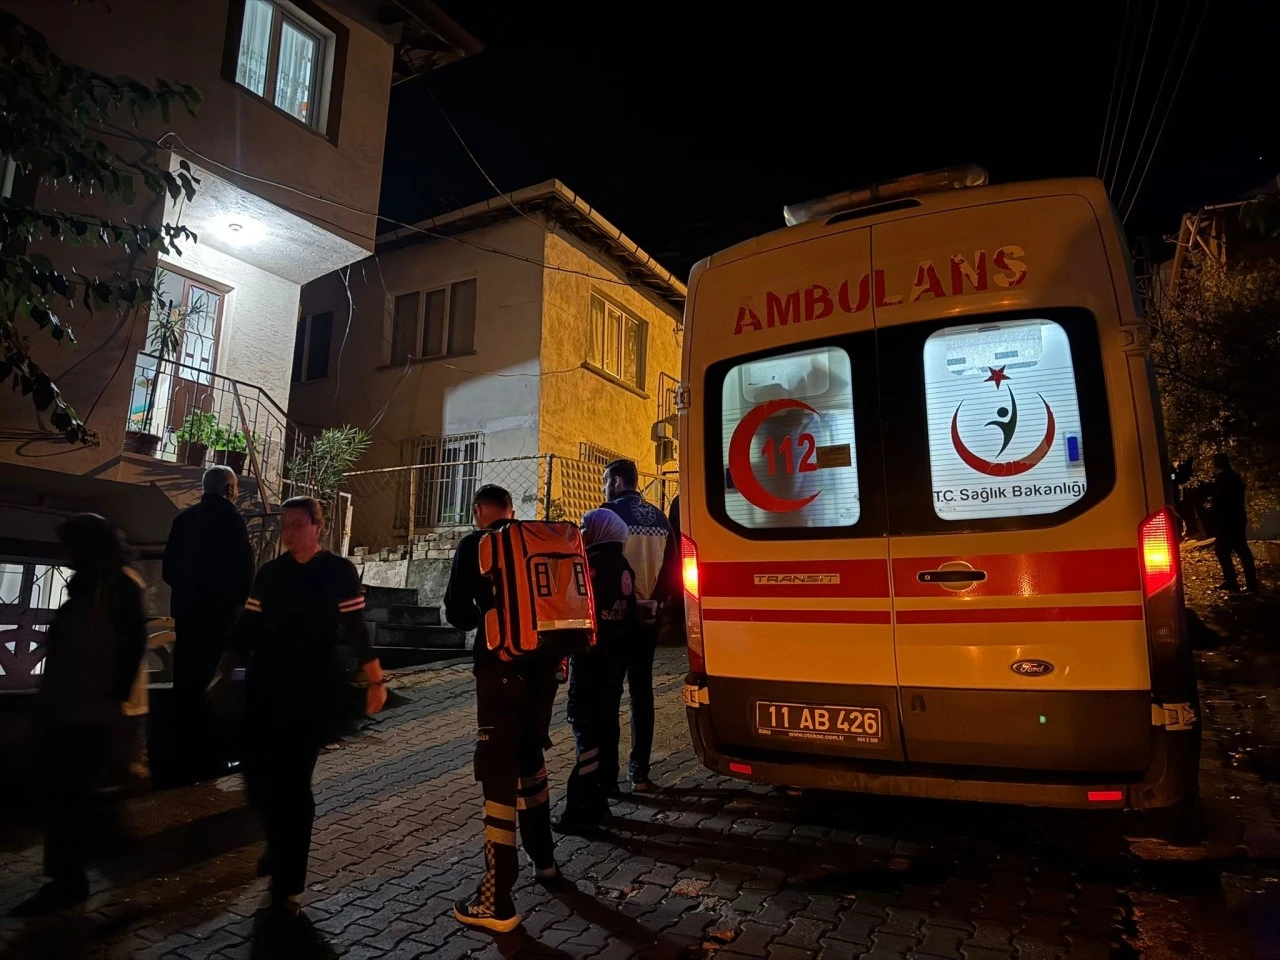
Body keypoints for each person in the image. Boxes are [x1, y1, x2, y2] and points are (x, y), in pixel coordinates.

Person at [228, 497, 387, 914]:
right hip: (265, 685)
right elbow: (247, 628)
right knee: (257, 775)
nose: (289, 532)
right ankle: (277, 840)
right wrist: (225, 669)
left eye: (298, 523)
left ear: (318, 526)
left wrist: (375, 679)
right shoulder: (271, 573)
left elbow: (355, 628)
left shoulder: (337, 572)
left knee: (294, 783)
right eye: (285, 524)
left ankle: (289, 883)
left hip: (310, 689)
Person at [10, 514, 146, 916]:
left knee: (69, 796)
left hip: (88, 710)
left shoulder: (113, 588)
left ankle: (72, 878)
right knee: (73, 796)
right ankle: (85, 872)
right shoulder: (97, 585)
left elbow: (126, 649)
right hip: (76, 707)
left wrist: (115, 704)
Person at [444, 485, 561, 932]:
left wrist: (489, 613)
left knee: (497, 772)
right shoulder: (535, 541)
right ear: (511, 510)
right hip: (544, 672)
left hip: (500, 673)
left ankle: (497, 898)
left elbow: (457, 613)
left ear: (479, 510)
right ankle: (545, 861)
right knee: (531, 761)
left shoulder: (475, 544)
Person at [163, 465, 254, 782]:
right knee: (219, 684)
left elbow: (168, 570)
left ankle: (181, 755)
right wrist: (238, 607)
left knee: (186, 683)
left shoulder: (183, 520)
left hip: (188, 617)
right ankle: (210, 756)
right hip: (220, 619)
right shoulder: (231, 521)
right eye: (236, 488)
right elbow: (245, 572)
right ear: (229, 489)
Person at [556, 509, 639, 833]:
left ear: (600, 530)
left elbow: (572, 609)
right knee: (605, 727)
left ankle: (581, 808)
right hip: (614, 665)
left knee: (586, 731)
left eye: (585, 526)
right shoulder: (624, 566)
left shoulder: (588, 565)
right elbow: (629, 619)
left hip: (590, 663)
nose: (582, 531)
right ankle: (601, 797)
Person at [600, 459, 671, 792]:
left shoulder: (606, 516)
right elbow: (673, 568)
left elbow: (598, 569)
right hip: (648, 618)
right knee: (642, 694)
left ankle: (607, 776)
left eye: (605, 480)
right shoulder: (660, 517)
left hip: (615, 619)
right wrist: (655, 602)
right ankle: (639, 772)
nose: (604, 487)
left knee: (608, 694)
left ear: (616, 481)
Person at [1210, 453, 1260, 593]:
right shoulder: (1235, 477)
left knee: (1223, 550)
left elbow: (1219, 501)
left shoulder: (1223, 478)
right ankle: (1250, 582)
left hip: (1227, 519)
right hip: (1236, 517)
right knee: (1241, 550)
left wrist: (1216, 516)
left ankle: (1233, 581)